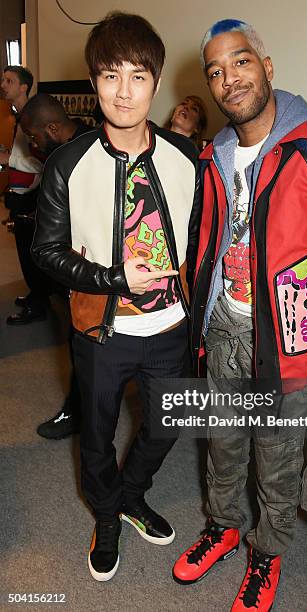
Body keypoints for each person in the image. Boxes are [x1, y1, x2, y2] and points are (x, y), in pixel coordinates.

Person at [172, 19, 307, 611]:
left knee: (279, 457)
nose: (228, 79)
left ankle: (266, 554)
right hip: (224, 331)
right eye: (215, 71)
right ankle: (223, 526)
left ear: (267, 68)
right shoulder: (214, 154)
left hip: (293, 342)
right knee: (221, 443)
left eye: (240, 63)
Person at [31, 12, 199, 582]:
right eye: (109, 75)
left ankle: (130, 495)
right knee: (97, 436)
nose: (123, 92)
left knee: (165, 425)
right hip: (104, 331)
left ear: (155, 82)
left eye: (137, 75)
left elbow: (201, 239)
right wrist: (113, 278)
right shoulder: (67, 163)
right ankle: (106, 516)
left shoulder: (185, 158)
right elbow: (46, 253)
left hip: (172, 328)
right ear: (93, 82)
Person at [19, 92, 94, 440]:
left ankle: (76, 413)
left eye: (35, 137)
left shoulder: (77, 154)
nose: (34, 143)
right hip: (77, 264)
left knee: (83, 342)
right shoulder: (86, 137)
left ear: (52, 127)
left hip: (90, 267)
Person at [0, 65, 51, 325]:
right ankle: (35, 295)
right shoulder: (18, 116)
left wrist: (9, 159)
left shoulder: (33, 117)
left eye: (9, 81)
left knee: (31, 251)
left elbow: (43, 163)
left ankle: (38, 303)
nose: (3, 84)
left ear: (24, 87)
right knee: (24, 250)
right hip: (19, 192)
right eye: (3, 80)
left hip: (31, 195)